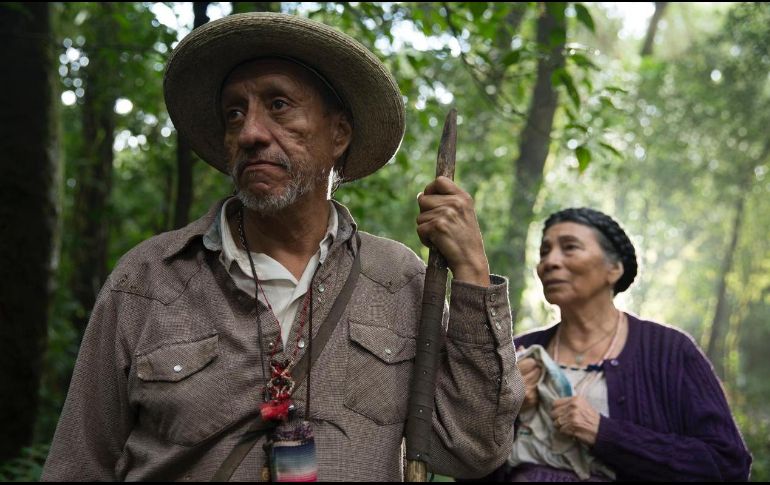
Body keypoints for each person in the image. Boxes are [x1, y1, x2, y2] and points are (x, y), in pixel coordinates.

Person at [41, 12, 524, 482]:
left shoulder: (397, 279)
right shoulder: (148, 280)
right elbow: (79, 464)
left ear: (339, 134)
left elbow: (472, 449)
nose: (250, 133)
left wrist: (472, 274)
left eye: (278, 105)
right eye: (235, 113)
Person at [498, 207, 752, 481]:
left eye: (569, 248)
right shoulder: (517, 352)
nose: (550, 262)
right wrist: (507, 411)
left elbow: (728, 464)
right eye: (544, 252)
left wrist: (604, 433)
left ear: (614, 269)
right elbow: (471, 469)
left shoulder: (670, 351)